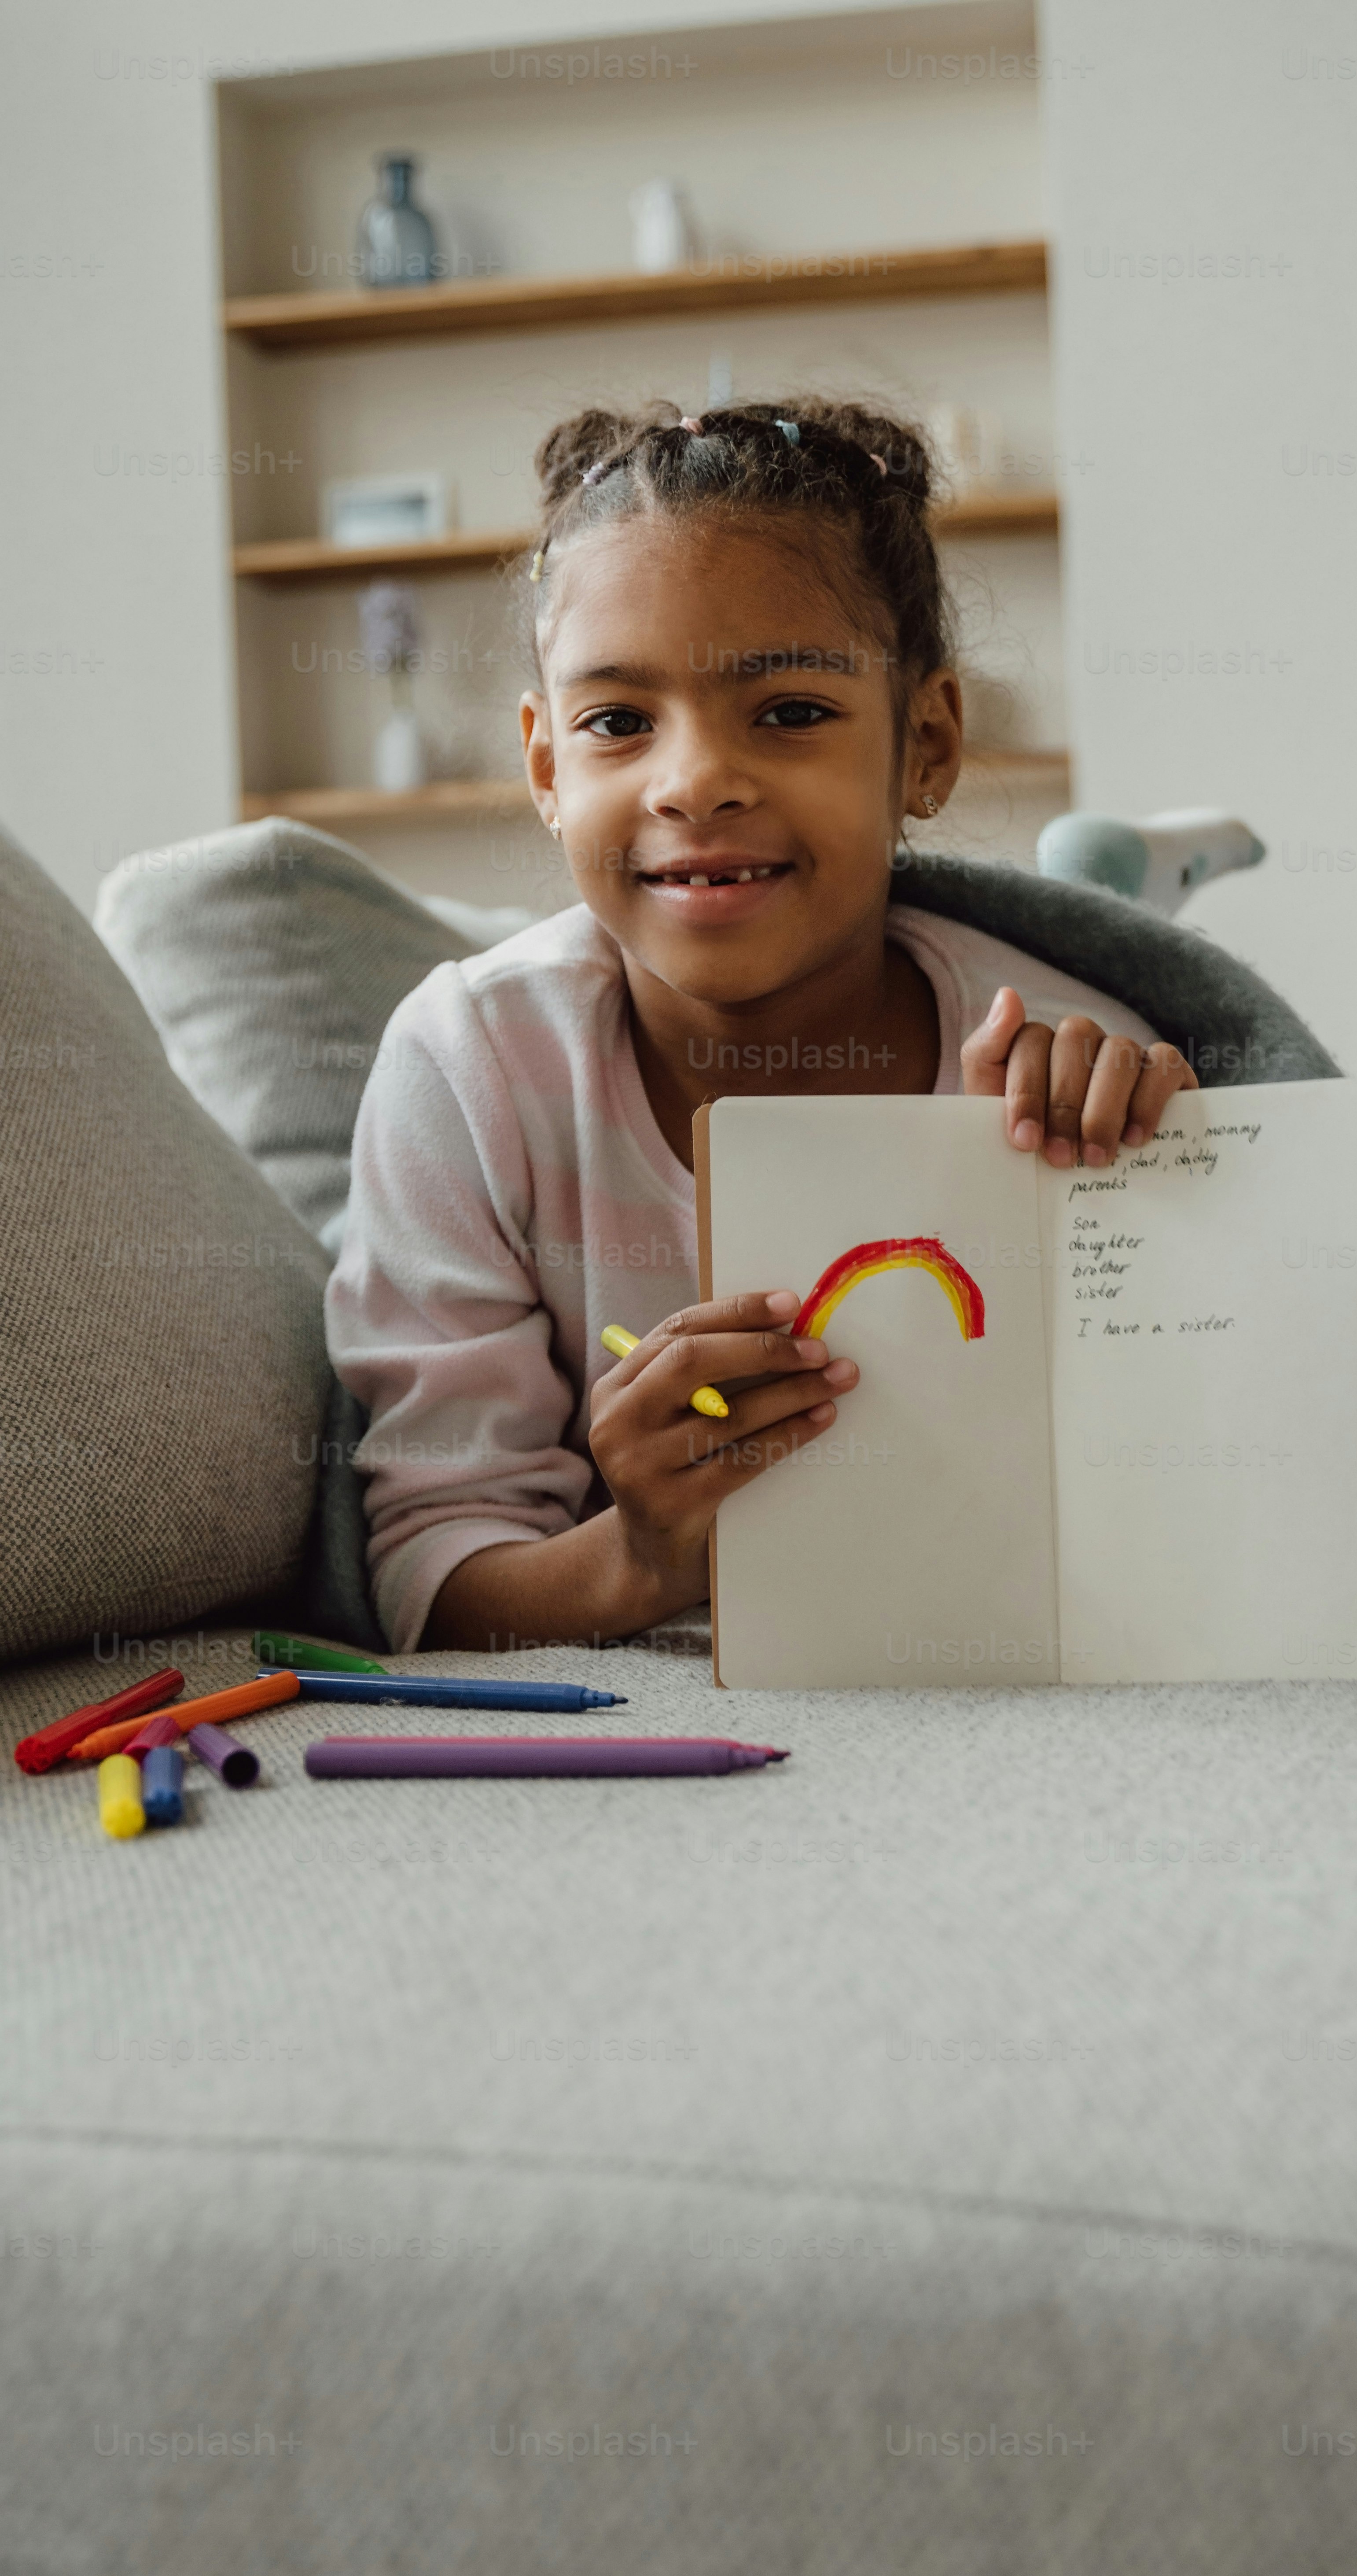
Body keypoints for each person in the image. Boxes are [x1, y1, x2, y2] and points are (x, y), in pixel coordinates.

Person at [326, 398, 1195, 1653]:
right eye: (617, 722)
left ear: (928, 746)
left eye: (789, 711)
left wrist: (1164, 1169)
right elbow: (433, 1576)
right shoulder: (470, 1069)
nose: (693, 782)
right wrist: (642, 1555)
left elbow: (1192, 1487)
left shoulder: (1055, 1065)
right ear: (545, 769)